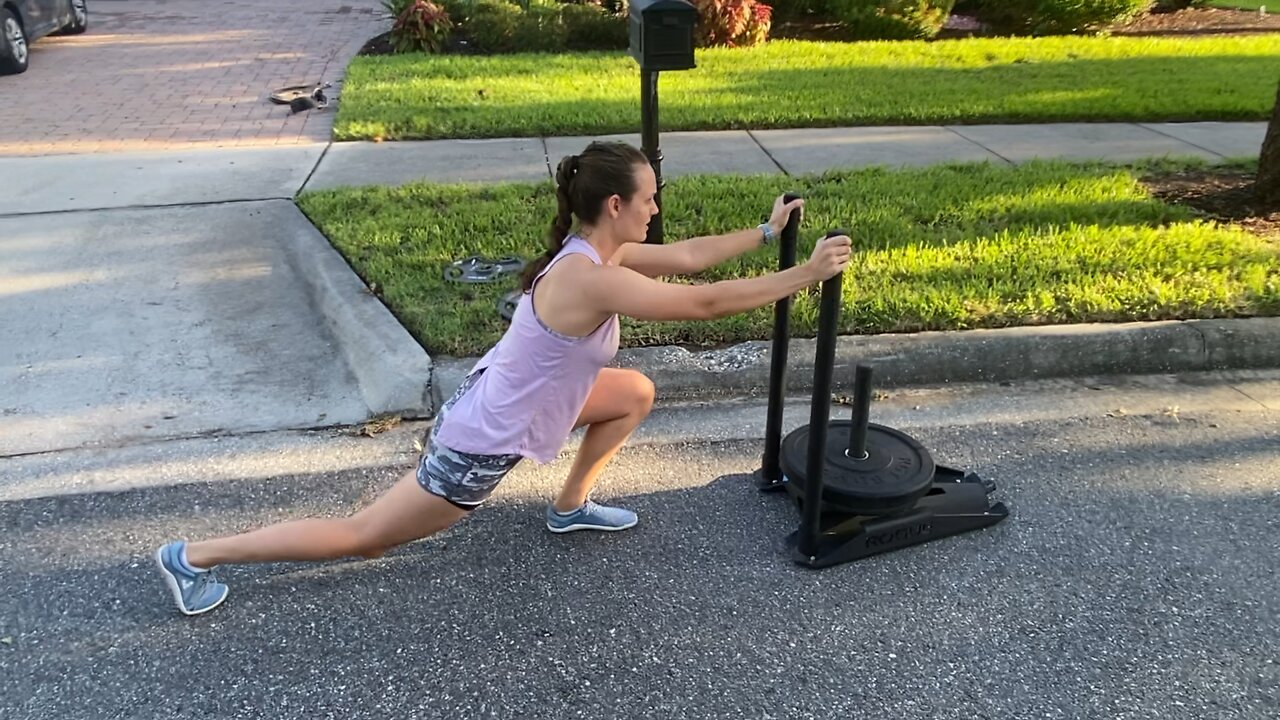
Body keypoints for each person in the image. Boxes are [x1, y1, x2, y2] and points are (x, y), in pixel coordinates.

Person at [154, 141, 852, 616]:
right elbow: (700, 303)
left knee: (634, 391)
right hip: (477, 445)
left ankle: (569, 506)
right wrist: (806, 273)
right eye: (649, 198)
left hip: (504, 405)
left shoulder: (596, 253)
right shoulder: (589, 279)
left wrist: (766, 233)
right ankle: (193, 556)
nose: (655, 208)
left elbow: (694, 259)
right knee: (365, 536)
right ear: (616, 205)